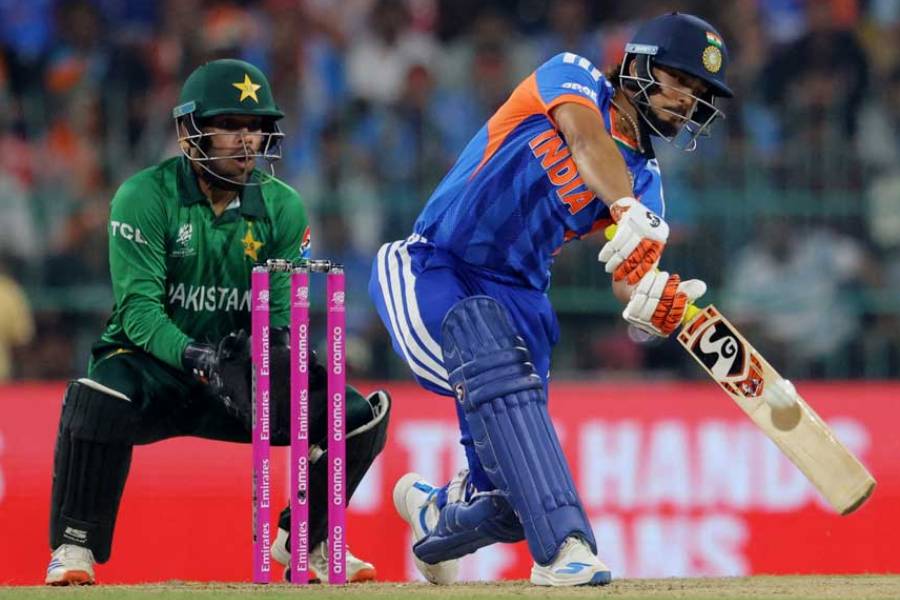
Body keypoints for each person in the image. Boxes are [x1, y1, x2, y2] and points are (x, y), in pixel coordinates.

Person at [369, 12, 731, 586]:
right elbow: (586, 139)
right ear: (637, 64)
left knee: (511, 500)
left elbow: (627, 276)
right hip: (437, 266)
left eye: (700, 92)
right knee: (491, 356)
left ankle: (437, 518)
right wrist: (626, 210)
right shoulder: (574, 75)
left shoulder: (647, 182)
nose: (688, 100)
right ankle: (566, 546)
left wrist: (653, 298)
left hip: (521, 303)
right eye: (680, 79)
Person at [45, 59, 390, 585]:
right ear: (189, 131)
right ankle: (75, 549)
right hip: (154, 367)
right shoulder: (144, 196)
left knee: (356, 414)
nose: (247, 140)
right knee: (98, 393)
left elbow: (279, 318)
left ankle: (306, 540)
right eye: (230, 124)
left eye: (256, 127)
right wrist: (195, 356)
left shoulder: (284, 208)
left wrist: (276, 354)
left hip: (237, 374)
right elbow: (137, 313)